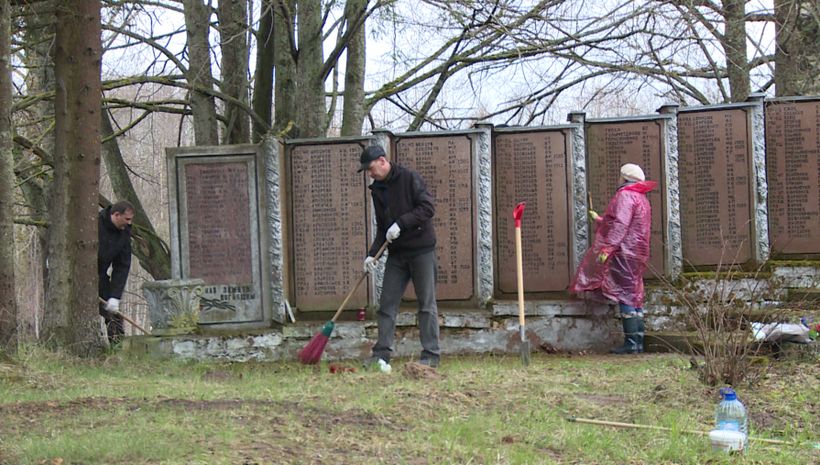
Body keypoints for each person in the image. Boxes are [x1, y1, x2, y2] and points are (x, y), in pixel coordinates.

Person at [358, 145, 441, 368]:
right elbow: (383, 229)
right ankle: (381, 355)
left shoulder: (409, 178)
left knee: (426, 304)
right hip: (397, 256)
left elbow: (428, 208)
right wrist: (371, 255)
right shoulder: (377, 189)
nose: (370, 173)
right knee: (386, 304)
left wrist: (401, 223)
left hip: (421, 250)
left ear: (383, 161)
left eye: (371, 167)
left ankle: (431, 355)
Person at [570, 163, 657, 354]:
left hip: (624, 252)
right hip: (638, 253)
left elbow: (620, 225)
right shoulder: (641, 198)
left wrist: (607, 248)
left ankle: (631, 344)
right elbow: (627, 224)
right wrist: (600, 220)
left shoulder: (625, 196)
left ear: (625, 179)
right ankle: (638, 342)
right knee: (634, 295)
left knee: (625, 294)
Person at [98, 200, 135, 344]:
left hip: (100, 276)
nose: (129, 223)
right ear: (116, 215)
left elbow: (122, 265)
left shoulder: (124, 233)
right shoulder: (95, 223)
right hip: (76, 273)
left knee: (113, 316)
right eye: (127, 219)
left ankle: (118, 350)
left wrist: (115, 296)